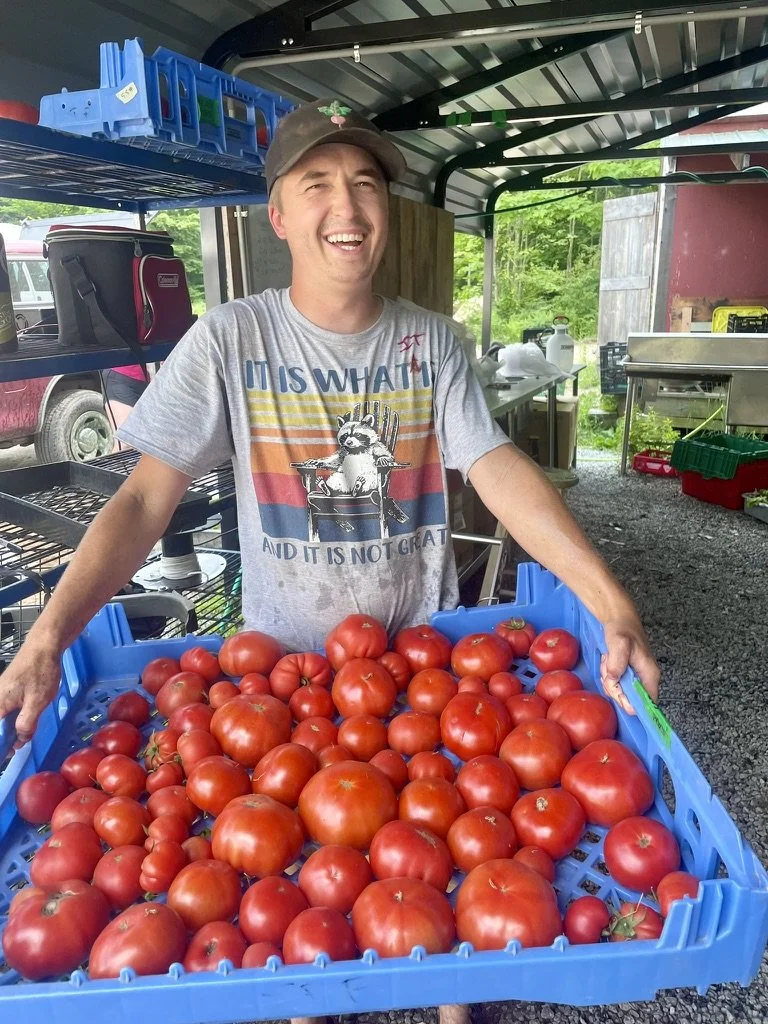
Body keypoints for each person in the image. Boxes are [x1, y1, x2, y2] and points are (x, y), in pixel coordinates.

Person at [0, 99, 659, 1023]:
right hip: (285, 686)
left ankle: (450, 992)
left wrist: (608, 597)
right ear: (278, 214)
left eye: (363, 183)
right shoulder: (233, 340)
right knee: (298, 887)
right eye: (317, 184)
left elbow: (498, 468)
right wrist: (50, 633)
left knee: (430, 869)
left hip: (423, 677)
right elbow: (145, 498)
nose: (345, 206)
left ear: (387, 209)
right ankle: (310, 997)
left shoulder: (433, 342)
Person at [102, 364, 150, 450]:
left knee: (144, 443)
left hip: (142, 378)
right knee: (125, 442)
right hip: (119, 375)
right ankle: (116, 463)